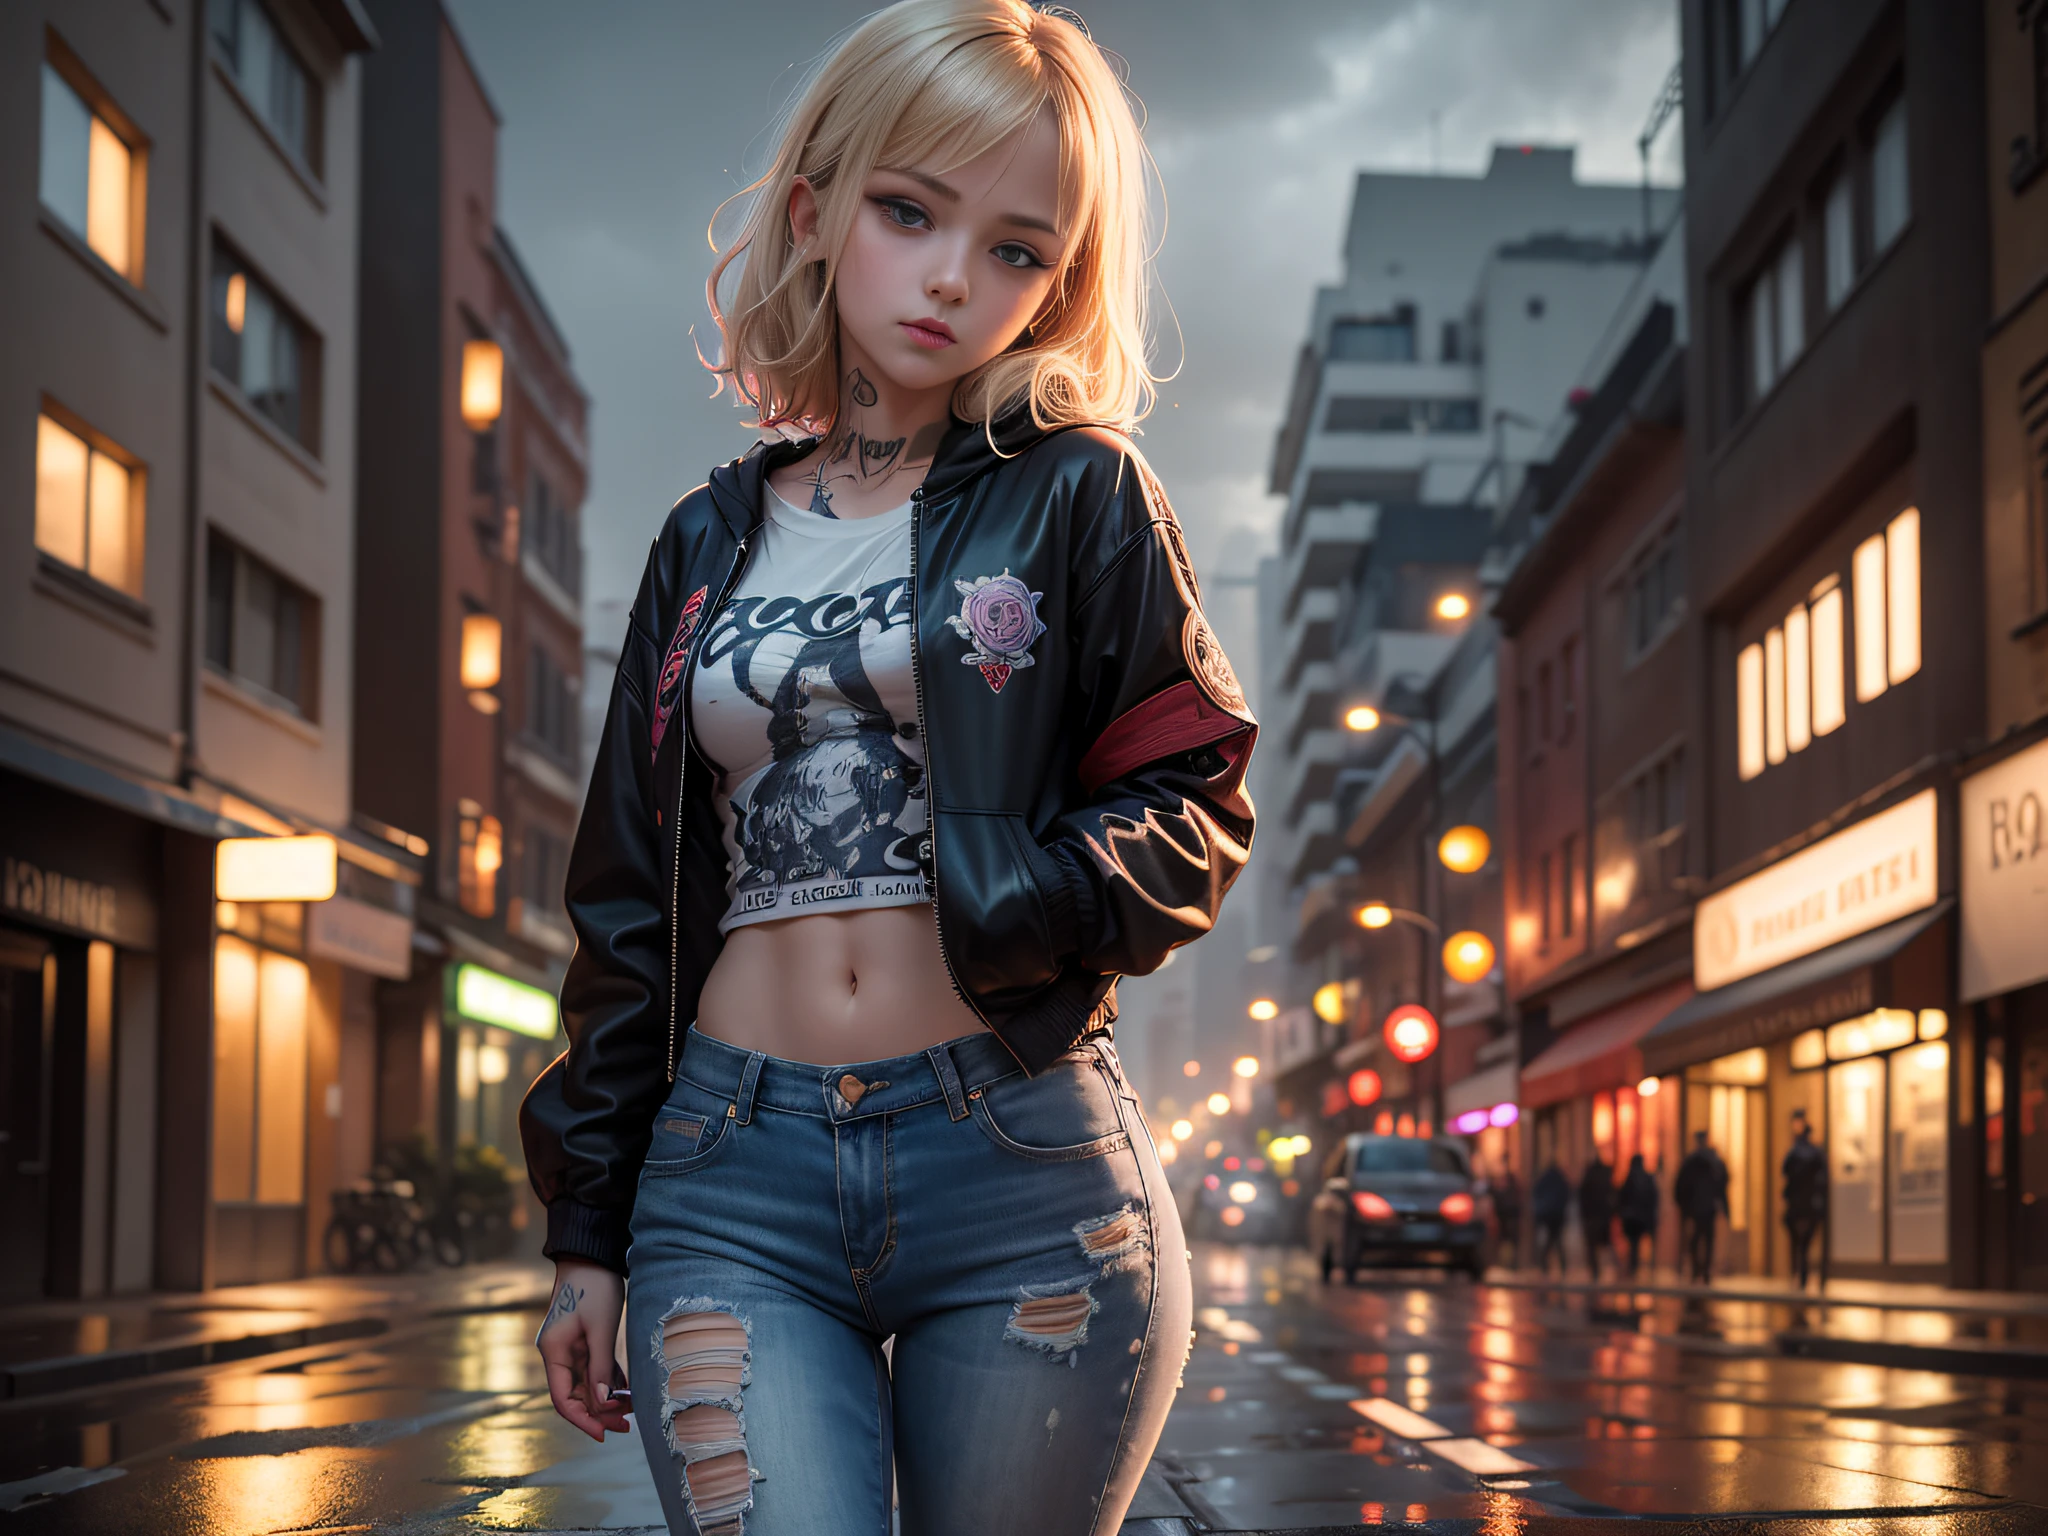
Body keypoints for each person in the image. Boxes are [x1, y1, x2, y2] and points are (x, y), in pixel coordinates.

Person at [518, 8, 1258, 1532]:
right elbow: (623, 904)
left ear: (1061, 281)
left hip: (1022, 1155)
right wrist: (585, 1226)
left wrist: (1027, 893)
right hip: (732, 1172)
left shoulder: (1083, 496)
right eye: (910, 211)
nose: (950, 279)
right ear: (816, 210)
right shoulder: (705, 540)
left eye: (1016, 250)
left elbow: (1193, 800)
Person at [1674, 1130, 1731, 1283]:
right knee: (1706, 1238)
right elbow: (1722, 1185)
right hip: (1706, 1207)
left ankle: (1699, 1269)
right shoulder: (1713, 1161)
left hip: (1697, 1207)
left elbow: (1681, 1186)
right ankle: (1703, 1269)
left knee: (1698, 1237)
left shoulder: (1694, 1162)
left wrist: (1684, 1206)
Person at [1782, 1111, 1828, 1289]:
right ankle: (1802, 1274)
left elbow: (1785, 1172)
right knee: (1805, 1242)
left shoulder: (1795, 1152)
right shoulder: (1815, 1153)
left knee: (1798, 1242)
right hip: (1810, 1204)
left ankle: (1798, 1273)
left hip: (1798, 1203)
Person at [1617, 1153, 1659, 1279]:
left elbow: (1622, 1198)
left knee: (1634, 1245)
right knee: (1644, 1244)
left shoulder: (1629, 1178)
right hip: (1643, 1218)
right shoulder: (1647, 1178)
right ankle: (1648, 1268)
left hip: (1633, 1219)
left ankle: (1634, 1268)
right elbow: (1654, 1198)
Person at [1578, 1151, 1617, 1280]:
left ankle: (1596, 1270)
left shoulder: (1589, 1176)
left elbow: (1582, 1197)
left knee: (1593, 1246)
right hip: (1602, 1216)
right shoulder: (1605, 1176)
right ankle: (1618, 1268)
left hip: (1592, 1217)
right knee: (1607, 1243)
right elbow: (1612, 1195)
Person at [1530, 1158, 1570, 1276]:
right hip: (1557, 1215)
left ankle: (1545, 1263)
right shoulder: (1560, 1179)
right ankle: (1560, 1265)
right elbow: (1566, 1194)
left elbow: (1537, 1193)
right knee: (1556, 1240)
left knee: (1552, 1240)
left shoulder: (1545, 1179)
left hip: (1548, 1215)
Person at [1491, 1163, 1523, 1270]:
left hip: (1510, 1219)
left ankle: (1510, 1264)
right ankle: (1506, 1264)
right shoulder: (1506, 1191)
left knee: (1510, 1243)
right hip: (1505, 1220)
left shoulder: (1510, 1191)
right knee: (1506, 1243)